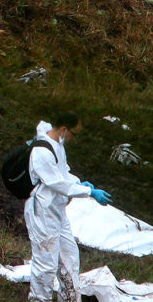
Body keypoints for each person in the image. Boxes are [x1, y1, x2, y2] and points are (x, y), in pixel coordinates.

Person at [25, 111, 112, 302]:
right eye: (75, 133)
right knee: (45, 264)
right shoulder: (41, 151)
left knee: (69, 258)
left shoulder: (58, 145)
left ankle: (70, 298)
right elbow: (56, 183)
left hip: (57, 210)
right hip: (42, 211)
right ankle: (39, 299)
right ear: (64, 129)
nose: (75, 137)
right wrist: (89, 193)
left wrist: (80, 183)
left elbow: (63, 174)